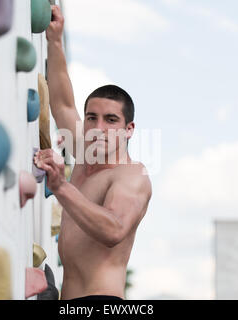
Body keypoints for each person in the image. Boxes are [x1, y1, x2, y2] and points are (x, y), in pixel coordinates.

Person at [34, 4, 152, 300]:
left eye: (111, 120)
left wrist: (61, 187)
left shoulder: (131, 175)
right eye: (91, 118)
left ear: (129, 129)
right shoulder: (85, 152)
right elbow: (61, 103)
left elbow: (114, 229)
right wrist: (55, 41)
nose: (99, 127)